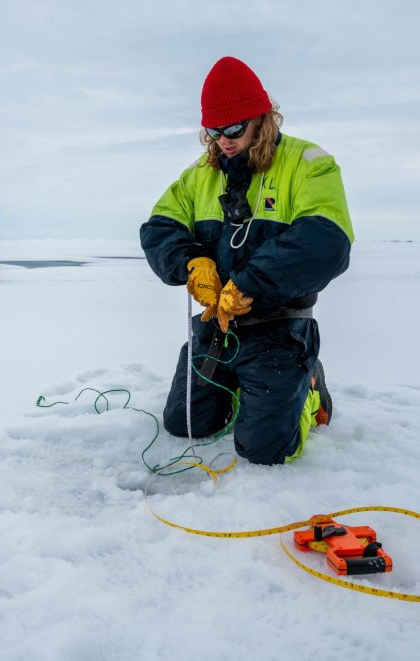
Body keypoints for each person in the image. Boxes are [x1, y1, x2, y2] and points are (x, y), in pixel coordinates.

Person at [139, 56, 354, 465]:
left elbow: (327, 242)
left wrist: (251, 283)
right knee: (185, 425)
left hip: (278, 330)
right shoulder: (199, 174)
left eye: (234, 129)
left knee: (266, 450)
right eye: (213, 131)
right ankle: (242, 389)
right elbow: (158, 228)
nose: (223, 140)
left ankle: (308, 387)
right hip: (215, 330)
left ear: (263, 118)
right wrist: (190, 263)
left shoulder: (309, 164)